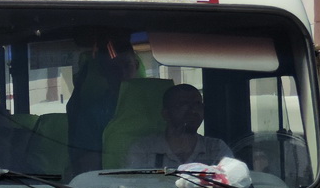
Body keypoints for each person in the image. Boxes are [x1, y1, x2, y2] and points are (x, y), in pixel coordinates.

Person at [66, 34, 140, 173]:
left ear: (136, 66)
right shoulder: (92, 114)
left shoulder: (162, 105)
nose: (122, 73)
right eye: (114, 68)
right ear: (103, 71)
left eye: (127, 66)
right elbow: (88, 163)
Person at [126, 83, 233, 169]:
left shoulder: (216, 149)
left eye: (197, 104)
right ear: (166, 114)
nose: (193, 110)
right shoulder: (144, 149)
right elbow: (134, 187)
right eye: (183, 104)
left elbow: (231, 183)